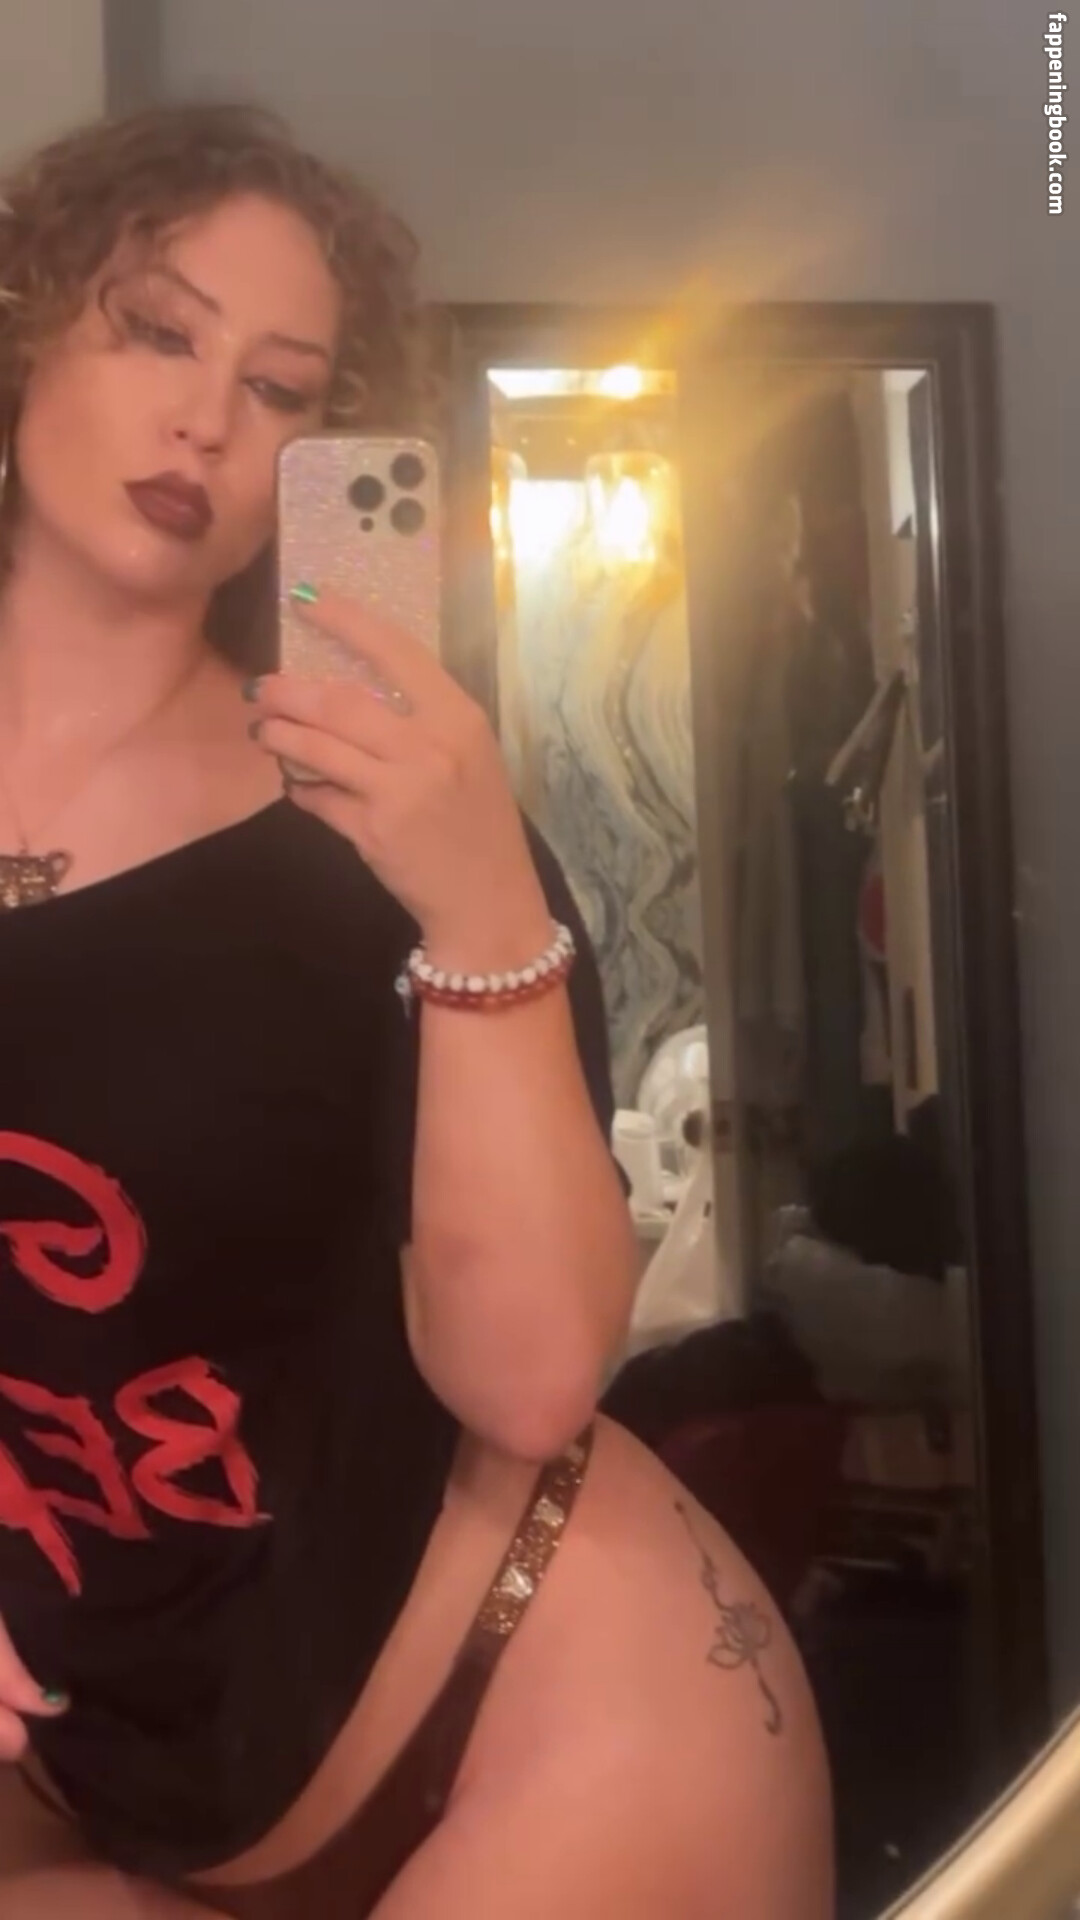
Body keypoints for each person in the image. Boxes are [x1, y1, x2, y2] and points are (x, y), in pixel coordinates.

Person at [0, 104, 831, 1918]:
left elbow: (527, 1377)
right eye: (156, 331)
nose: (208, 420)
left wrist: (479, 904)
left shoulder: (384, 832)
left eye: (280, 388)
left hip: (545, 1730)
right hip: (78, 1777)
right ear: (26, 330)